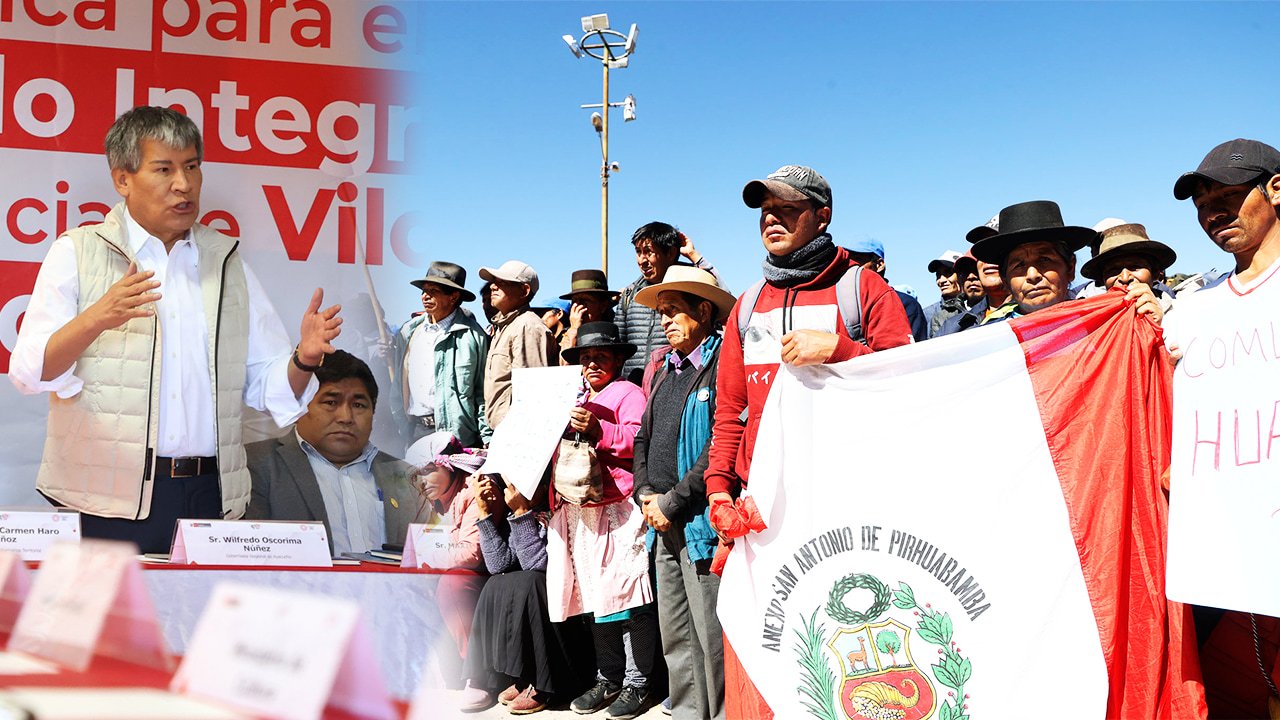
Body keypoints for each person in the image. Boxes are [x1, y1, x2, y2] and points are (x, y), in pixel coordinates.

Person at [8, 106, 341, 554]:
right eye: (164, 169)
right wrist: (97, 318)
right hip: (105, 501)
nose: (184, 184)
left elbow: (268, 385)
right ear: (122, 179)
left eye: (192, 166)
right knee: (115, 606)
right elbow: (31, 372)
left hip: (210, 497)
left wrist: (304, 358)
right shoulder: (78, 252)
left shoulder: (227, 263)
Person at [704, 164, 913, 719]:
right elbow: (729, 411)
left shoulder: (862, 289)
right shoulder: (748, 304)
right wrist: (719, 487)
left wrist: (841, 352)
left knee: (846, 642)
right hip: (763, 511)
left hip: (847, 503)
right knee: (778, 641)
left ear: (822, 216)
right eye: (764, 211)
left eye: (786, 209)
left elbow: (908, 382)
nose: (770, 220)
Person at [1167, 138, 1280, 719]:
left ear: (1276, 190)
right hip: (1226, 562)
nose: (1214, 214)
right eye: (1204, 205)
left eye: (1230, 198)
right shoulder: (1190, 312)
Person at [632, 266, 736, 720]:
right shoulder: (663, 369)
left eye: (674, 310)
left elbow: (718, 446)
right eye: (662, 312)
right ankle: (689, 713)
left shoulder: (722, 364)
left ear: (704, 311)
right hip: (659, 519)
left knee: (710, 634)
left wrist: (672, 502)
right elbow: (643, 437)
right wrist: (644, 493)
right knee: (675, 633)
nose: (665, 321)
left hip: (698, 522)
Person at [547, 322, 655, 720]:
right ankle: (608, 676)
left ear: (619, 360)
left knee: (629, 597)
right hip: (581, 508)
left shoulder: (628, 393)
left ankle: (637, 682)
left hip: (616, 507)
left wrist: (600, 429)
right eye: (586, 357)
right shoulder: (575, 396)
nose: (592, 363)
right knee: (596, 597)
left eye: (601, 356)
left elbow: (639, 439)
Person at [244, 350, 426, 555]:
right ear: (299, 408)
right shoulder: (255, 465)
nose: (345, 417)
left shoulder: (407, 478)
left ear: (373, 414)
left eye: (358, 405)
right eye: (331, 402)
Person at [463, 475, 592, 715]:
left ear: (543, 488)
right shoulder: (515, 514)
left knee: (530, 582)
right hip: (535, 589)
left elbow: (537, 565)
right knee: (495, 584)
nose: (516, 488)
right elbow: (499, 564)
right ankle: (494, 676)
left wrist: (522, 512)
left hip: (566, 611)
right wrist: (484, 513)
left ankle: (542, 683)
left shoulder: (555, 513)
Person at [407, 432, 490, 702]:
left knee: (452, 584)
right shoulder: (430, 499)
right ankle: (437, 672)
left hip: (482, 576)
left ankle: (478, 674)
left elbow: (472, 552)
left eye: (427, 471)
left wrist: (426, 557)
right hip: (444, 571)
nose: (421, 481)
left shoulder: (472, 490)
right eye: (416, 475)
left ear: (449, 465)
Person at [616, 222, 727, 387]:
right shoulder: (629, 296)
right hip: (634, 391)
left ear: (671, 252)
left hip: (677, 383)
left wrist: (694, 256)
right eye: (638, 252)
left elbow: (722, 298)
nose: (642, 260)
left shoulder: (694, 287)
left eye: (649, 252)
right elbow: (618, 349)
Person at [394, 261, 490, 448]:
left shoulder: (473, 336)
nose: (425, 296)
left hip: (457, 437)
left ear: (453, 296)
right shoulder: (409, 333)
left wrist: (486, 437)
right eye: (424, 291)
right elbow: (398, 385)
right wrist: (402, 426)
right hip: (416, 432)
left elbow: (482, 393)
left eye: (433, 291)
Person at [479, 261, 556, 431]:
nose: (493, 287)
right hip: (504, 430)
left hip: (518, 432)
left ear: (524, 291)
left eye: (502, 282)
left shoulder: (527, 326)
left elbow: (532, 392)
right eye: (494, 282)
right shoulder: (505, 326)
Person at [1079, 223, 1178, 311]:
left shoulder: (1179, 314)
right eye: (1113, 270)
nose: (1125, 278)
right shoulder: (1092, 318)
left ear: (1155, 273)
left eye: (1135, 267)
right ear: (1103, 279)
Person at [846, 237, 929, 341]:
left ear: (879, 265)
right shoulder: (845, 305)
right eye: (848, 262)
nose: (851, 268)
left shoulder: (906, 304)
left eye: (858, 262)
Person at [559, 269, 620, 355]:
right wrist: (573, 330)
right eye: (575, 301)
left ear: (603, 306)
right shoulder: (566, 335)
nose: (579, 306)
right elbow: (564, 361)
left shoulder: (615, 332)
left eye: (585, 300)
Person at [923, 250, 965, 337]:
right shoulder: (928, 314)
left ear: (962, 274)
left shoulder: (980, 305)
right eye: (938, 275)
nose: (941, 280)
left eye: (948, 273)